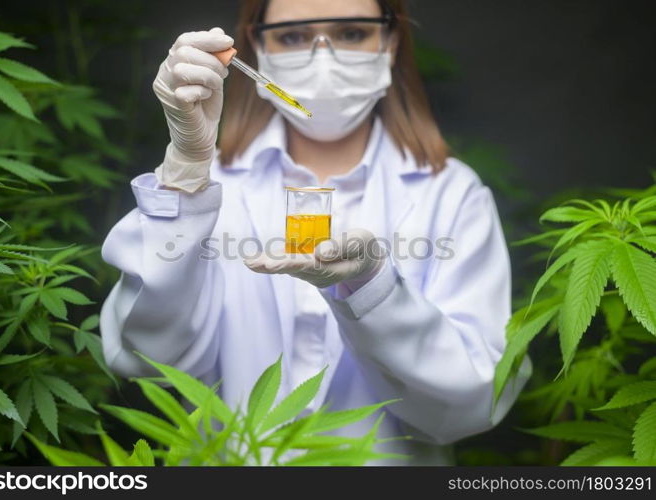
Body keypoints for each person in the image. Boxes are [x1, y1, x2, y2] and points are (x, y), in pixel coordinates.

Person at [99, 0, 531, 466]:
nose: (322, 58)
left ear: (390, 41)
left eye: (349, 33)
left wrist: (375, 291)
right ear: (255, 47)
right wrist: (184, 174)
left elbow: (469, 405)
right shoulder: (201, 185)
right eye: (293, 36)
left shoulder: (451, 193)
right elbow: (143, 362)